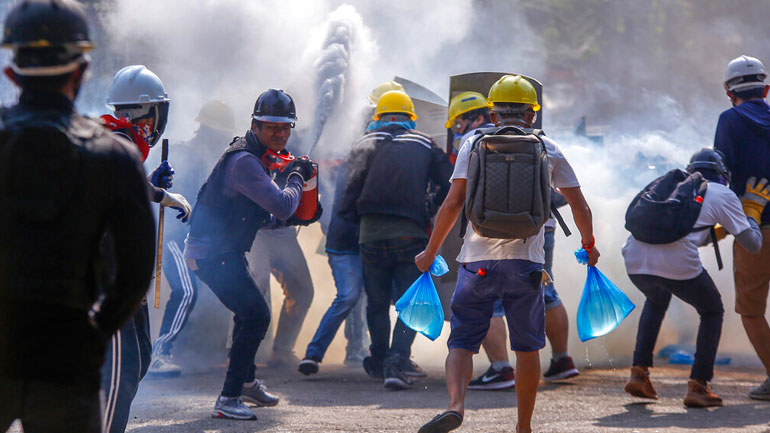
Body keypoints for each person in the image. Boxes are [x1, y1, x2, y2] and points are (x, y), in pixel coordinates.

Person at [0, 1, 155, 432]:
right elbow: (136, 273)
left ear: (11, 73)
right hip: (67, 359)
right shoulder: (116, 157)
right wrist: (94, 333)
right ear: (81, 71)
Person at [414, 75, 599, 433]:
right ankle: (523, 426)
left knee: (463, 341)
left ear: (494, 113)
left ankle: (456, 406)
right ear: (532, 114)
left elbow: (452, 204)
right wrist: (588, 247)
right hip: (526, 263)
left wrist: (430, 252)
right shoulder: (548, 148)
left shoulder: (473, 143)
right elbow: (580, 206)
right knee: (527, 347)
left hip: (476, 260)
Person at [185, 89, 319, 420]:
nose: (281, 134)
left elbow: (269, 212)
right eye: (273, 127)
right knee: (257, 314)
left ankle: (245, 382)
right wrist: (297, 177)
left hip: (222, 250)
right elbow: (283, 204)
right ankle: (229, 398)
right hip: (212, 254)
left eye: (286, 127)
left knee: (247, 313)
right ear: (256, 126)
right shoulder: (245, 161)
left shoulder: (256, 157)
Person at [622, 148, 765, 407]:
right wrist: (752, 210)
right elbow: (753, 245)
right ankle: (699, 385)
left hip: (634, 259)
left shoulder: (673, 186)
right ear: (723, 175)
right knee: (712, 311)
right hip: (676, 264)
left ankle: (639, 374)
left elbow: (679, 230)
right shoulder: (723, 193)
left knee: (656, 299)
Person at [98, 64, 191, 433]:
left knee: (138, 361)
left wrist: (146, 181)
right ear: (147, 112)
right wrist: (160, 193)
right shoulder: (118, 140)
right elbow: (110, 187)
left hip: (124, 278)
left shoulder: (123, 141)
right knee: (119, 376)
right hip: (108, 278)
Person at [339, 90, 453, 390]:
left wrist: (354, 222)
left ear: (378, 118)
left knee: (376, 303)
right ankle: (397, 361)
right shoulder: (425, 143)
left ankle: (378, 359)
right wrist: (431, 205)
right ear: (409, 118)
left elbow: (348, 193)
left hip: (370, 236)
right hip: (410, 234)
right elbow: (451, 181)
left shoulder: (363, 143)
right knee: (409, 302)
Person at [148, 100, 236, 376]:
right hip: (172, 233)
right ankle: (159, 353)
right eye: (215, 131)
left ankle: (194, 349)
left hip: (192, 237)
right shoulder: (183, 155)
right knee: (186, 290)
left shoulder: (219, 160)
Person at [714, 54, 770, 401]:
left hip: (754, 230)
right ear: (765, 88)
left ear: (728, 91)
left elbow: (721, 176)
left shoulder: (729, 120)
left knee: (751, 310)